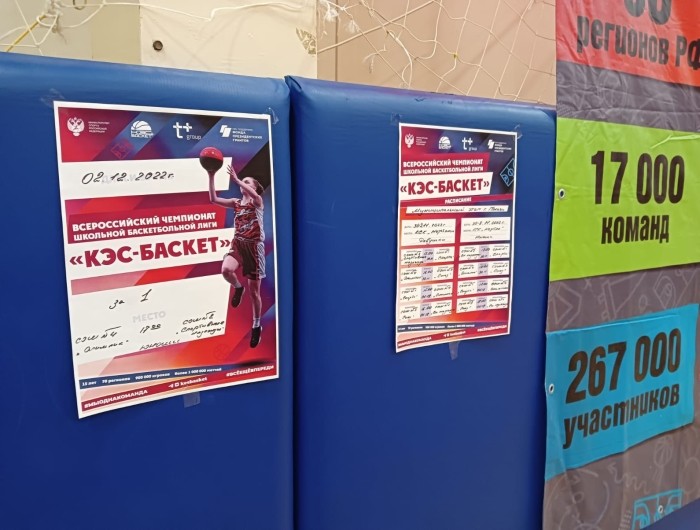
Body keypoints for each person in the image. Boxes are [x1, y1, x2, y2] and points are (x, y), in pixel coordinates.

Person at [207, 164, 266, 348]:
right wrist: (211, 175)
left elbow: (255, 195)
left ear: (254, 187)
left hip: (254, 248)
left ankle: (256, 325)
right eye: (243, 182)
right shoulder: (235, 202)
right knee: (226, 270)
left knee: (254, 292)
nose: (243, 184)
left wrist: (237, 180)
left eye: (248, 182)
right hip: (239, 244)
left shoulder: (257, 202)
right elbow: (213, 199)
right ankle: (238, 288)